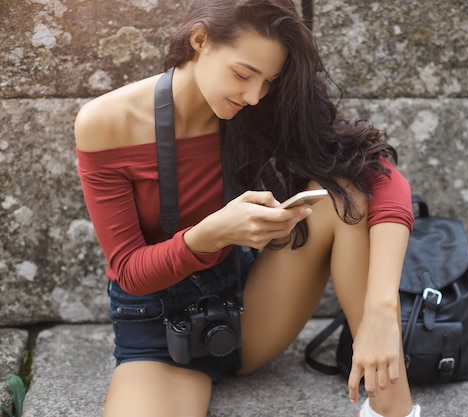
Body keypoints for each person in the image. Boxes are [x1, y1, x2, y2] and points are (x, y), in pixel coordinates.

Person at [74, 0, 420, 416]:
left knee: (344, 192)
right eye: (243, 74)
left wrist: (382, 311)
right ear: (200, 40)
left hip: (246, 309)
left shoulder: (257, 106)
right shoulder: (105, 122)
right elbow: (129, 270)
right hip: (159, 333)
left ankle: (392, 409)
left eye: (268, 81)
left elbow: (380, 173)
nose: (255, 96)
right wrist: (214, 233)